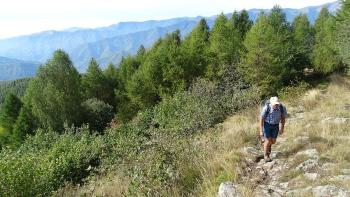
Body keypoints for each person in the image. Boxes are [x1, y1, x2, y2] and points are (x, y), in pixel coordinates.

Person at [259, 96, 287, 162]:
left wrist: (282, 128)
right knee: (268, 141)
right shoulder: (267, 108)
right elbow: (261, 119)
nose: (276, 105)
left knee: (273, 141)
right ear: (271, 104)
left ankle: (267, 145)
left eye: (277, 104)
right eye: (275, 104)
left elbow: (283, 118)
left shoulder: (282, 108)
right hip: (267, 125)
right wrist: (261, 131)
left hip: (276, 125)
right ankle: (266, 155)